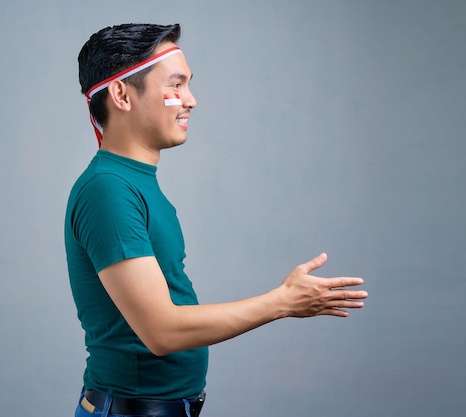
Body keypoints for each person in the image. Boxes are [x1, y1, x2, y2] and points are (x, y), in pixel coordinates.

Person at [65, 23, 368, 417]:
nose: (190, 100)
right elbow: (161, 330)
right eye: (176, 85)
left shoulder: (133, 182)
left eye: (189, 84)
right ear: (122, 94)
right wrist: (282, 302)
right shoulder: (109, 189)